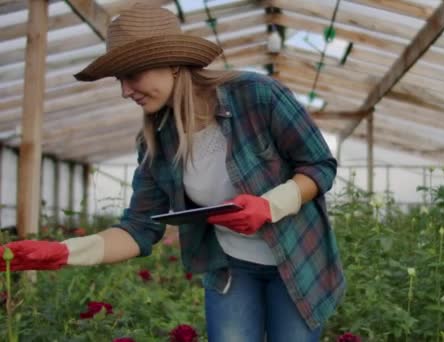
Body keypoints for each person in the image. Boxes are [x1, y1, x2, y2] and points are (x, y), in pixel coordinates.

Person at [0, 4, 344, 341]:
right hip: (231, 267)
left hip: (298, 260)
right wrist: (63, 252)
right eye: (119, 79)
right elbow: (138, 230)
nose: (124, 91)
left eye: (131, 75)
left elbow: (319, 164)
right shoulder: (157, 142)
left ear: (173, 65)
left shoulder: (257, 96)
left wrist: (271, 205)